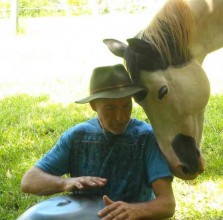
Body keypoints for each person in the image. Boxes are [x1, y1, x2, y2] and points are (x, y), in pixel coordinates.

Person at [20, 64, 175, 220]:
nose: (120, 116)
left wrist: (135, 210)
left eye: (126, 106)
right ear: (94, 105)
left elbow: (167, 204)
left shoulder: (146, 137)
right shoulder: (78, 136)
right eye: (110, 108)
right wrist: (65, 183)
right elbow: (29, 181)